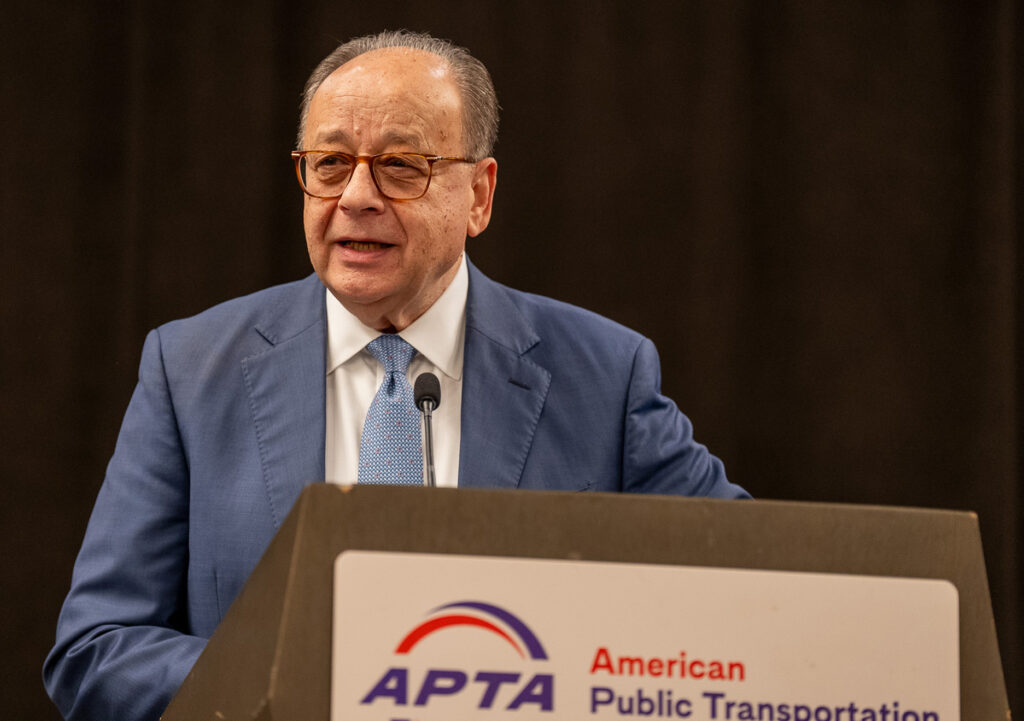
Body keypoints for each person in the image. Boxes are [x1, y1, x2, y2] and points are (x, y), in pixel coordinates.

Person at [43, 30, 749, 721]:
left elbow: (754, 590)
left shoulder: (603, 376)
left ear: (479, 196)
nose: (356, 196)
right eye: (330, 163)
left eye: (401, 166)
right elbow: (95, 650)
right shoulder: (193, 370)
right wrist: (296, 679)